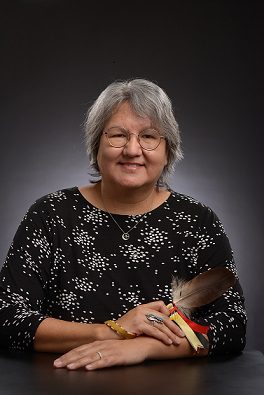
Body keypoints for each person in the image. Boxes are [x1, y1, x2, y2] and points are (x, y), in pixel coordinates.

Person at [0, 78, 247, 370]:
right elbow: (7, 318)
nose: (132, 150)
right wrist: (113, 330)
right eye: (117, 135)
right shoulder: (50, 215)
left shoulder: (198, 221)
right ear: (97, 145)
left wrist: (143, 348)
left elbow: (231, 326)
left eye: (149, 136)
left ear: (167, 150)